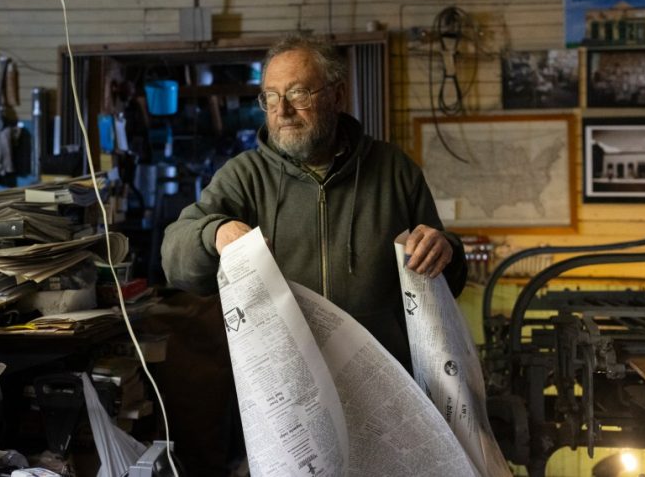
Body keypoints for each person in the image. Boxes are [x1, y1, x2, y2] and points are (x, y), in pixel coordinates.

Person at [161, 34, 467, 367]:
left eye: (298, 93)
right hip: (287, 386)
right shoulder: (244, 176)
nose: (283, 110)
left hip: (384, 378)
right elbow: (174, 261)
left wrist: (444, 250)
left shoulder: (394, 170)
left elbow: (450, 281)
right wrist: (215, 233)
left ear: (337, 96)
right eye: (272, 96)